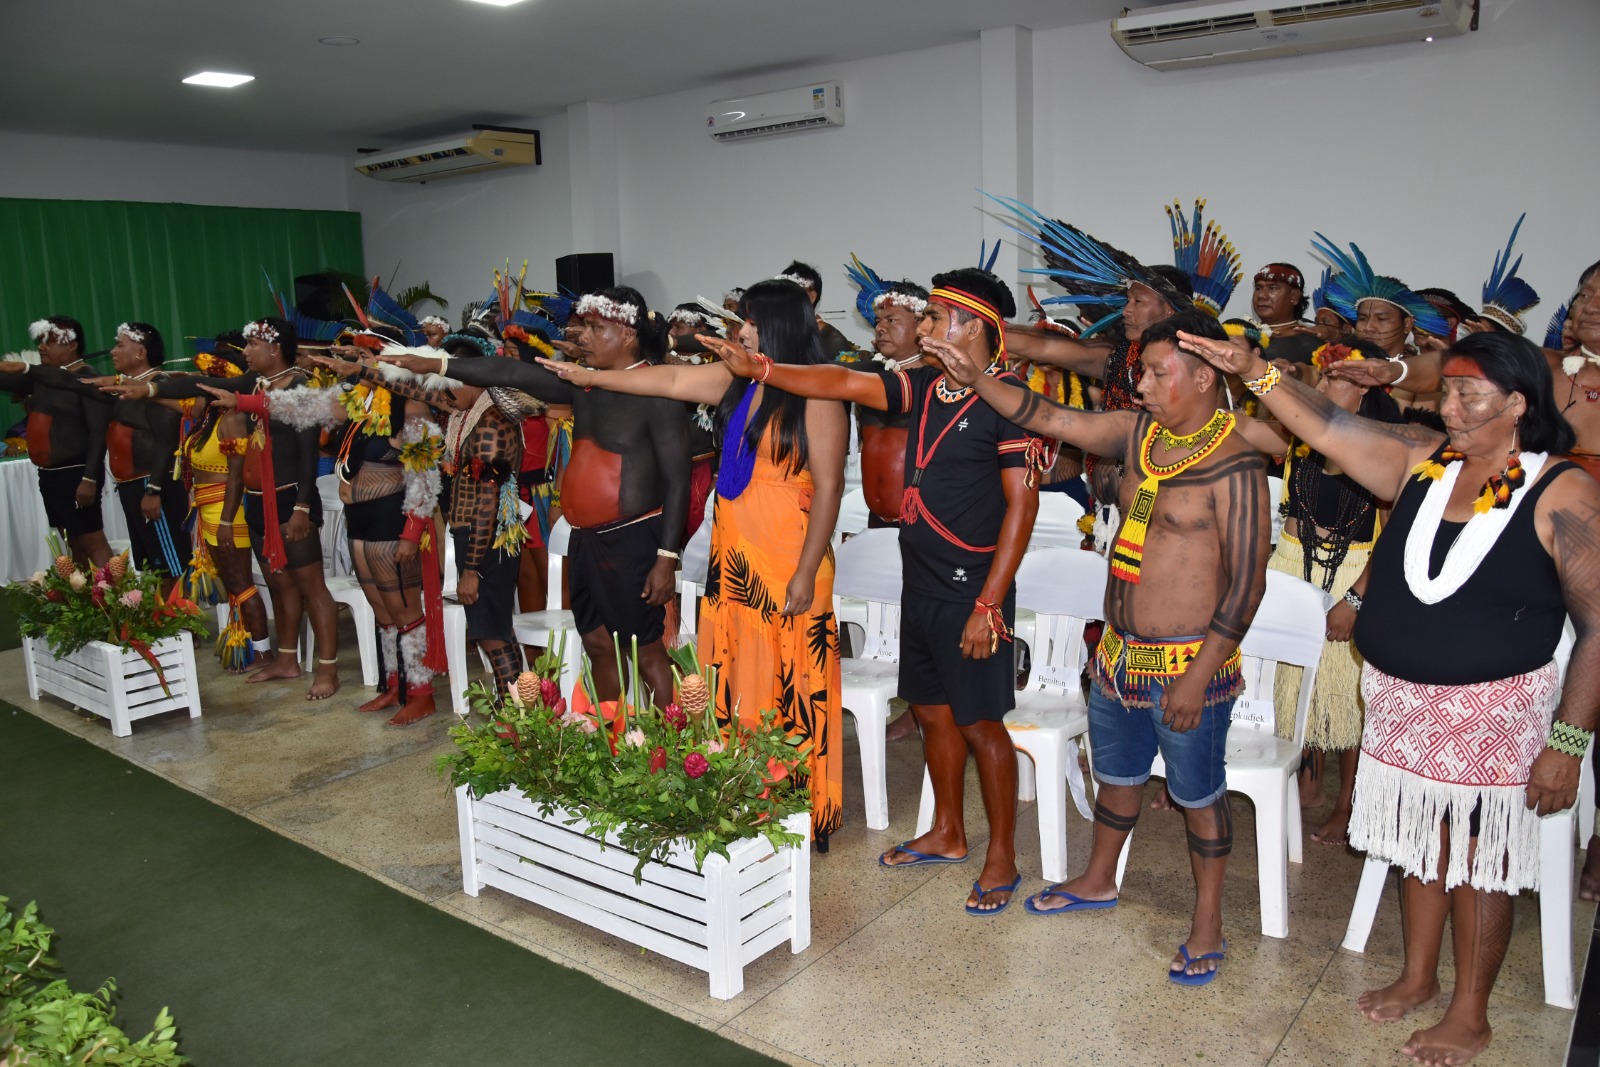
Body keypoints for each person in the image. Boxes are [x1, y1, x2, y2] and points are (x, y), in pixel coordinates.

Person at [1184, 325, 1599, 1064]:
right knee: (1419, 845)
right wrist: (1254, 371)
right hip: (1404, 703)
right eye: (1447, 391)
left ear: (1518, 403)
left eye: (1470, 394)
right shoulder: (1422, 460)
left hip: (1493, 713)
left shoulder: (1560, 488)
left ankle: (1470, 1014)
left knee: (1476, 861)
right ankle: (1416, 975)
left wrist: (1566, 744)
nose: (1452, 407)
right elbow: (1330, 426)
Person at [933, 308, 1269, 983]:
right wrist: (980, 376)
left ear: (1204, 377)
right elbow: (1051, 418)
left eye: (1154, 372)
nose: (1139, 385)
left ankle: (1209, 920)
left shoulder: (1235, 462)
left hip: (1186, 666)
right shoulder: (1138, 433)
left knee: (1198, 795)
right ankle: (1097, 877)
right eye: (1139, 371)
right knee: (1114, 777)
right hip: (1118, 654)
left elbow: (1248, 584)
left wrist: (1201, 674)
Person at [711, 268, 1042, 913]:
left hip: (972, 587)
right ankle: (948, 831)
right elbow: (839, 381)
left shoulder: (1008, 399)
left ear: (971, 326)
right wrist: (761, 369)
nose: (922, 326)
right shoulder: (921, 382)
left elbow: (1020, 512)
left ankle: (1001, 855)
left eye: (935, 316)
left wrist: (990, 604)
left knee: (980, 723)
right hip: (918, 578)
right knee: (932, 711)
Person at [536, 278, 847, 846]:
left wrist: (805, 572)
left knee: (792, 679)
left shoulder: (818, 392)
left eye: (749, 321)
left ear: (777, 324)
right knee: (738, 675)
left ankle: (801, 805)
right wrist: (589, 376)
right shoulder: (736, 379)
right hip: (735, 555)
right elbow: (671, 378)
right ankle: (742, 793)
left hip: (786, 556)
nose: (740, 329)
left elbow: (829, 488)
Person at [380, 287, 690, 707]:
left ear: (628, 334)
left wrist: (666, 558)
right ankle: (612, 738)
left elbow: (677, 482)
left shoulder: (658, 394)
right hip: (586, 540)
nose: (584, 337)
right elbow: (509, 374)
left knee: (647, 649)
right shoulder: (585, 387)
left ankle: (672, 748)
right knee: (597, 644)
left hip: (631, 540)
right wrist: (439, 362)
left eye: (597, 328)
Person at [201, 337, 449, 725]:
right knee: (381, 610)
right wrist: (246, 402)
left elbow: (425, 473)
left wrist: (412, 530)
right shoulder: (359, 400)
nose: (357, 364)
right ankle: (394, 684)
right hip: (360, 519)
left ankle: (421, 692)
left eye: (367, 358)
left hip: (392, 518)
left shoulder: (413, 407)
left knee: (403, 609)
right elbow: (305, 405)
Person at [107, 317, 342, 701]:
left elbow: (305, 455)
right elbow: (199, 384)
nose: (246, 352)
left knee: (311, 588)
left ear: (274, 348)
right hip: (256, 501)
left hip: (288, 500)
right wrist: (149, 386)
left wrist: (301, 506)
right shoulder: (255, 383)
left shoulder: (301, 386)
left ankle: (328, 671)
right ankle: (286, 660)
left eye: (252, 345)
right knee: (280, 584)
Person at [1263, 340, 1407, 845]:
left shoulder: (1386, 453)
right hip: (1289, 566)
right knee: (1292, 686)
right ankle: (1302, 775)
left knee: (1346, 698)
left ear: (1366, 392)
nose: (1320, 388)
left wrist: (1356, 599)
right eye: (1320, 379)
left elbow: (1395, 540)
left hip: (1352, 572)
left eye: (1333, 381)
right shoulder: (1298, 441)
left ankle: (1350, 802)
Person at [25, 323, 191, 591]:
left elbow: (166, 443)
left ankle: (185, 630)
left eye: (120, 345)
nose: (113, 351)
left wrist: (154, 489)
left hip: (152, 487)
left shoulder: (159, 387)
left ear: (140, 352)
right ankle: (167, 629)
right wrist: (26, 371)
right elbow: (70, 382)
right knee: (152, 566)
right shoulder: (124, 387)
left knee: (172, 567)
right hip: (131, 487)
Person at [0, 316, 113, 567]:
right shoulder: (45, 376)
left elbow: (98, 432)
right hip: (50, 474)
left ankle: (118, 602)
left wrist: (90, 479)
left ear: (71, 345)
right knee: (73, 541)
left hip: (76, 473)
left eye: (49, 342)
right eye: (41, 341)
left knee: (91, 540)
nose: (41, 347)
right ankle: (86, 601)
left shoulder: (88, 378)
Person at [777, 261, 856, 360]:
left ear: (811, 296)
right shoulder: (776, 335)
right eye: (780, 293)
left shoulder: (833, 340)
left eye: (790, 292)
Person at [1248, 262, 1322, 365]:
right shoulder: (1242, 334)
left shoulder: (1313, 344)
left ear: (1294, 296)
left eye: (1273, 288)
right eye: (1258, 288)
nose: (1261, 296)